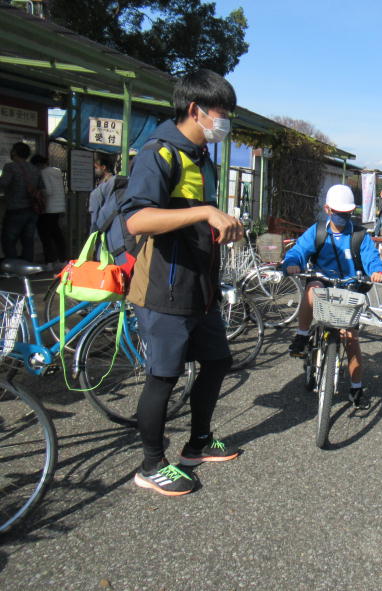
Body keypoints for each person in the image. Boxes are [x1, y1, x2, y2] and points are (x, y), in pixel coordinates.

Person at [120, 68, 244, 496]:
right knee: (164, 375)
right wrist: (205, 213)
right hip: (164, 287)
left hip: (200, 286)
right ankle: (151, 464)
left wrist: (224, 225)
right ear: (196, 110)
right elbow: (137, 220)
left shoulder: (203, 156)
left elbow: (198, 217)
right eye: (221, 113)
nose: (225, 122)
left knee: (218, 360)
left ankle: (198, 443)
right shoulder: (159, 152)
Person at [284, 184, 382, 409]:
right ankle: (301, 336)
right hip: (323, 282)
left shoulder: (359, 235)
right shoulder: (318, 231)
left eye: (347, 213)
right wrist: (292, 263)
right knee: (312, 288)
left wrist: (377, 271)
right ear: (328, 209)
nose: (343, 217)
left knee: (350, 338)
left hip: (350, 287)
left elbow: (371, 258)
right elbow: (299, 250)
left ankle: (357, 387)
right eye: (339, 213)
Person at [0, 142, 42, 262]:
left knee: (9, 240)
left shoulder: (10, 167)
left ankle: (13, 268)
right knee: (28, 241)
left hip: (15, 209)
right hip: (32, 209)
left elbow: (3, 183)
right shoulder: (34, 169)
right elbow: (40, 187)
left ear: (14, 152)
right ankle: (27, 268)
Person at [31, 154, 67, 264]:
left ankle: (50, 260)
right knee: (57, 234)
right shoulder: (57, 171)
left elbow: (48, 191)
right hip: (59, 207)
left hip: (48, 208)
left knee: (45, 236)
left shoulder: (43, 173)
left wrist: (36, 192)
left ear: (37, 165)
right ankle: (63, 259)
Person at [88, 153, 116, 229]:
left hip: (102, 227)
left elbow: (94, 220)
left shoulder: (99, 190)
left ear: (103, 167)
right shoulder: (115, 182)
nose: (94, 171)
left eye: (96, 168)